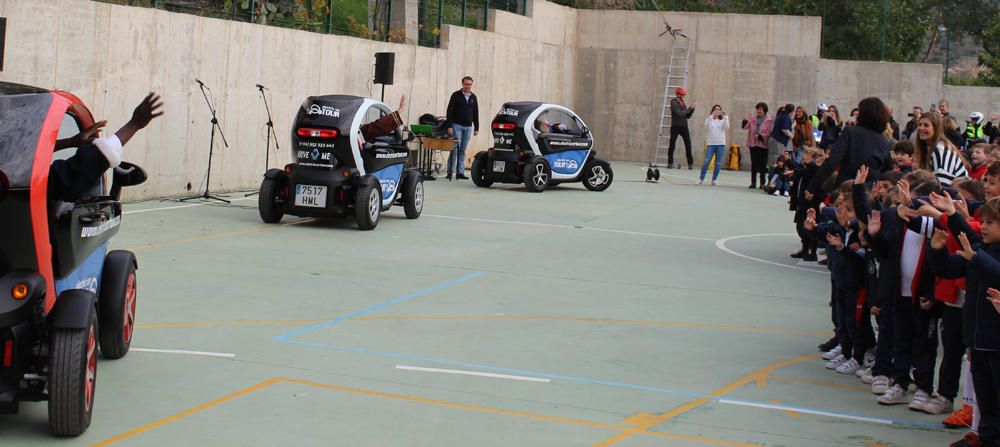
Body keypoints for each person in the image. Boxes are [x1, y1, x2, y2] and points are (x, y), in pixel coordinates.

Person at [49, 92, 164, 203]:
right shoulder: (35, 183)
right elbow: (69, 178)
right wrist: (133, 125)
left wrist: (70, 142)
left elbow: (32, 154)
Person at [806, 97, 893, 200]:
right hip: (869, 192)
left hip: (846, 187)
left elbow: (833, 160)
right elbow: (887, 170)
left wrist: (813, 185)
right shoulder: (884, 142)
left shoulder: (850, 132)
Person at [913, 111, 970, 187]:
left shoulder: (940, 150)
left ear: (936, 128)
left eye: (926, 125)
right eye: (919, 125)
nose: (921, 128)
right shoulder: (930, 148)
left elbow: (942, 185)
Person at [445, 76, 479, 180]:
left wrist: (476, 127)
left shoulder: (473, 97)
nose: (468, 86)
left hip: (468, 127)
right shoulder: (456, 95)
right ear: (462, 84)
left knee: (462, 150)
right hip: (457, 126)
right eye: (466, 84)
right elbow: (449, 111)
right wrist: (449, 125)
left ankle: (460, 172)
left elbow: (476, 113)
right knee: (455, 149)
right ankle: (450, 172)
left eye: (470, 84)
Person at [742, 102, 772, 189]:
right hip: (753, 144)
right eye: (758, 109)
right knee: (754, 164)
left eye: (760, 110)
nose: (758, 111)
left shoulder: (769, 120)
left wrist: (760, 136)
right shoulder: (752, 118)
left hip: (763, 145)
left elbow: (769, 132)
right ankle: (753, 183)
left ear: (764, 111)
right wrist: (745, 121)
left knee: (763, 165)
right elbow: (745, 127)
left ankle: (762, 183)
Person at [698, 105, 728, 186]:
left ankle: (714, 180)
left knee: (717, 163)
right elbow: (707, 125)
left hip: (720, 144)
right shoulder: (709, 119)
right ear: (713, 110)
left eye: (719, 110)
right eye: (715, 109)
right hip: (711, 144)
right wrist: (711, 115)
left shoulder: (722, 120)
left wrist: (725, 116)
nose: (717, 111)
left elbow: (726, 126)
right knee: (707, 161)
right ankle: (701, 179)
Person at [668, 87, 695, 169]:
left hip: (684, 126)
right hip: (675, 126)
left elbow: (687, 116)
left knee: (688, 145)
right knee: (672, 144)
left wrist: (692, 110)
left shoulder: (683, 103)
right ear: (678, 94)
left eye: (684, 94)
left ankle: (690, 163)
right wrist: (689, 108)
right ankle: (670, 163)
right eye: (683, 94)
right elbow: (679, 114)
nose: (684, 96)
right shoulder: (673, 102)